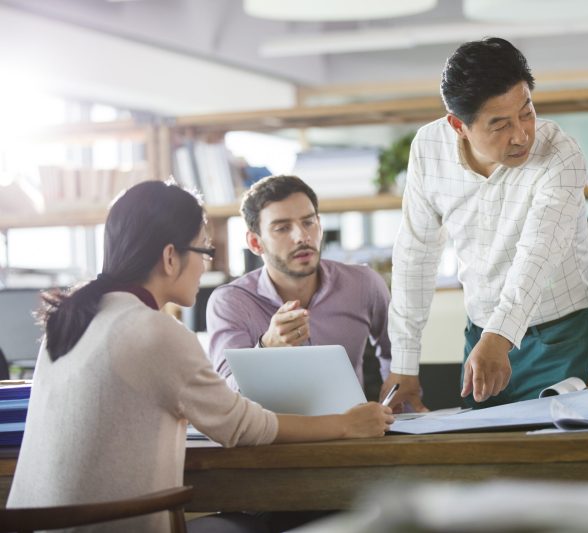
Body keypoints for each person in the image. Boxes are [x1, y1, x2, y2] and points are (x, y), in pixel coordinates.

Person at [6, 180, 392, 532]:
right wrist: (346, 424)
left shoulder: (73, 318)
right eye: (205, 250)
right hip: (109, 524)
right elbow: (241, 426)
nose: (206, 263)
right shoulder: (153, 331)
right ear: (171, 257)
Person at [385, 37, 588, 410]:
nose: (521, 135)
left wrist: (500, 336)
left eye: (527, 112)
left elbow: (539, 251)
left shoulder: (561, 156)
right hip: (482, 335)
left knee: (562, 455)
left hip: (562, 336)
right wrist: (404, 364)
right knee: (482, 458)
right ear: (459, 125)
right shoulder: (428, 148)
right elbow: (416, 254)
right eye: (499, 124)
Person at [206, 175, 392, 392]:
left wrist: (400, 409)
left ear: (320, 226)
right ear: (255, 243)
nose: (302, 236)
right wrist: (267, 348)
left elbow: (398, 355)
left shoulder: (363, 284)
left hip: (349, 424)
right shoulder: (231, 302)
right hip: (274, 426)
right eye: (282, 228)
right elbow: (226, 398)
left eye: (308, 222)